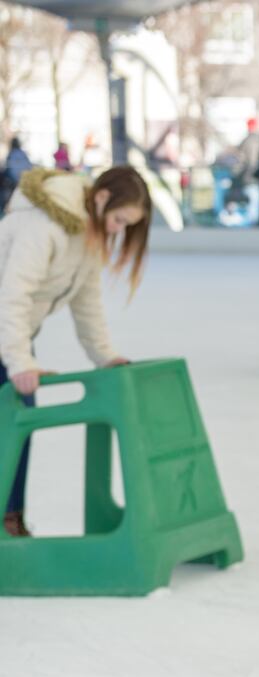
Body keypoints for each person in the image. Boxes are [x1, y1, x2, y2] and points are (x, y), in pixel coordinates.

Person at [0, 166, 151, 537]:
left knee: (17, 422)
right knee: (14, 420)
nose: (118, 230)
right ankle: (9, 516)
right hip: (8, 328)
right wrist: (20, 360)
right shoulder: (44, 226)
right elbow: (12, 297)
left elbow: (87, 302)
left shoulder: (88, 236)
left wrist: (104, 355)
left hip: (10, 333)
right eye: (118, 219)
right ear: (100, 198)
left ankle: (10, 516)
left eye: (127, 225)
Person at [2, 138, 33, 212]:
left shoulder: (11, 154)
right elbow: (28, 166)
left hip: (13, 180)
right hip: (23, 178)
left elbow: (9, 168)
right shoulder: (23, 153)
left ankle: (8, 208)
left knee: (10, 195)